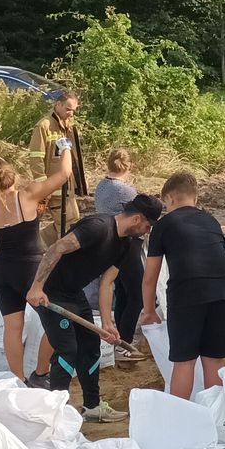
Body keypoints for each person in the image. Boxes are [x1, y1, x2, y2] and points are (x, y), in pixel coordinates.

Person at [29, 193, 162, 422]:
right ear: (138, 219)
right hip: (51, 293)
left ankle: (92, 406)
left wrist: (108, 325)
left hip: (74, 294)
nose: (147, 231)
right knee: (67, 350)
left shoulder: (125, 245)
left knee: (90, 346)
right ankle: (56, 411)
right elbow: (56, 248)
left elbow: (107, 283)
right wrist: (37, 287)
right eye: (148, 226)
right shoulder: (98, 228)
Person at [0, 147, 73, 381]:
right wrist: (65, 147)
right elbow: (65, 174)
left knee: (12, 327)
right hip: (31, 270)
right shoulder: (28, 194)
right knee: (54, 322)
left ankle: (18, 379)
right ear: (14, 177)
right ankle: (42, 370)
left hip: (3, 271)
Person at [143, 172, 225, 399]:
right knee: (213, 359)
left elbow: (150, 276)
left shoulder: (163, 225)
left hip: (187, 294)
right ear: (195, 198)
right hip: (223, 292)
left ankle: (181, 420)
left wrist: (148, 311)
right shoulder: (211, 221)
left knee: (184, 361)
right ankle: (215, 418)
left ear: (169, 199)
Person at [27, 88, 88, 381]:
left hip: (69, 193)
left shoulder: (69, 127)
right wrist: (42, 189)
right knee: (55, 234)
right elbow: (36, 160)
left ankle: (61, 262)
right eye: (68, 109)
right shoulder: (44, 127)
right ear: (57, 105)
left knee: (72, 230)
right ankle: (46, 258)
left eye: (74, 110)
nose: (71, 113)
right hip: (52, 192)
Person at [89, 148, 146, 365]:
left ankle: (120, 340)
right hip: (128, 243)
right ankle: (125, 344)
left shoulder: (101, 186)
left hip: (109, 242)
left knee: (122, 293)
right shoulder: (126, 190)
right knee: (136, 295)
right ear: (129, 166)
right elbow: (142, 211)